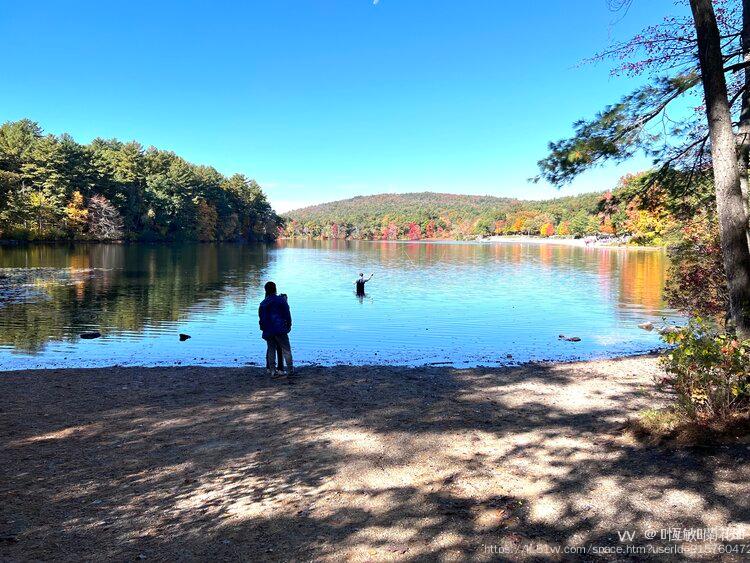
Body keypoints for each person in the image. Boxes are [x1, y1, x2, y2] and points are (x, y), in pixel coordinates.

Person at [258, 281, 293, 377]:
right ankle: (290, 370)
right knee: (286, 350)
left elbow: (261, 319)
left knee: (271, 349)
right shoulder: (281, 300)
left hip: (268, 330)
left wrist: (263, 328)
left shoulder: (263, 303)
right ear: (275, 289)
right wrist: (289, 325)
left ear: (266, 290)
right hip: (280, 329)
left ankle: (273, 371)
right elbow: (287, 314)